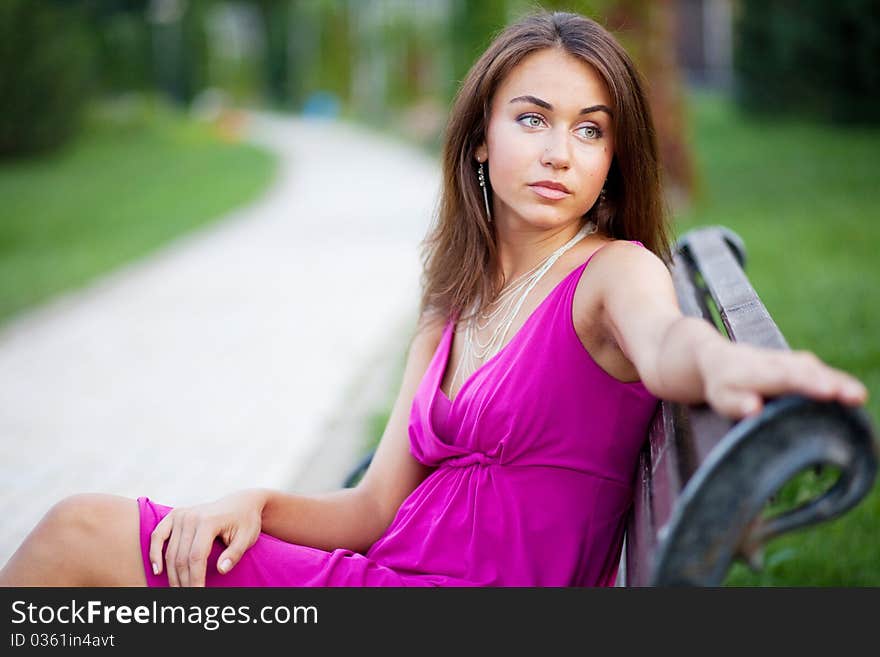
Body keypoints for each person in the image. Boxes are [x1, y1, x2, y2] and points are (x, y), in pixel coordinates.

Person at [0, 11, 868, 588]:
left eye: (590, 128)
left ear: (612, 161)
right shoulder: (452, 297)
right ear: (482, 140)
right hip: (388, 574)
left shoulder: (614, 271)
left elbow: (671, 341)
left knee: (80, 533)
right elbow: (372, 508)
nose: (560, 150)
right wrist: (253, 500)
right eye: (532, 118)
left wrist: (732, 363)